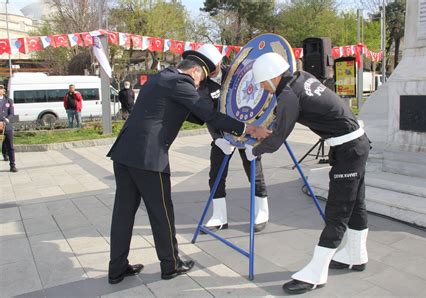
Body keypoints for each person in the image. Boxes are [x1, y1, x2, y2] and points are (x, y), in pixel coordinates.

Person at [106, 52, 271, 285]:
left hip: (124, 154)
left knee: (123, 214)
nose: (199, 85)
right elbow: (207, 114)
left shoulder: (162, 76)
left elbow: (195, 115)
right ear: (194, 71)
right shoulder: (181, 82)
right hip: (149, 159)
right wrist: (249, 129)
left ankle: (117, 268)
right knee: (161, 213)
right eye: (201, 79)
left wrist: (215, 110)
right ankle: (171, 264)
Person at [249, 53, 371, 295]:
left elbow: (278, 137)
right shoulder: (301, 78)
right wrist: (268, 130)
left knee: (337, 211)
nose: (262, 87)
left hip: (349, 150)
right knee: (355, 205)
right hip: (354, 146)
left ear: (274, 76)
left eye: (262, 81)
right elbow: (285, 118)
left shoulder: (288, 94)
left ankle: (316, 272)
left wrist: (255, 151)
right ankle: (356, 255)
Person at [186, 44, 269, 233]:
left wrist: (255, 133)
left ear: (220, 61)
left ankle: (262, 211)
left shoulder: (237, 74)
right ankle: (219, 216)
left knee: (255, 172)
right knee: (216, 175)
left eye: (212, 65)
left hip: (247, 131)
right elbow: (207, 114)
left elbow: (258, 97)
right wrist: (217, 139)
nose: (209, 69)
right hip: (222, 136)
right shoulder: (202, 85)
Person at [0, 85, 17, 173]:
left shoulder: (8, 101)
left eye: (1, 89)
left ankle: (12, 165)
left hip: (6, 126)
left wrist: (5, 121)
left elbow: (11, 113)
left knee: (10, 146)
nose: (0, 90)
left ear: (4, 90)